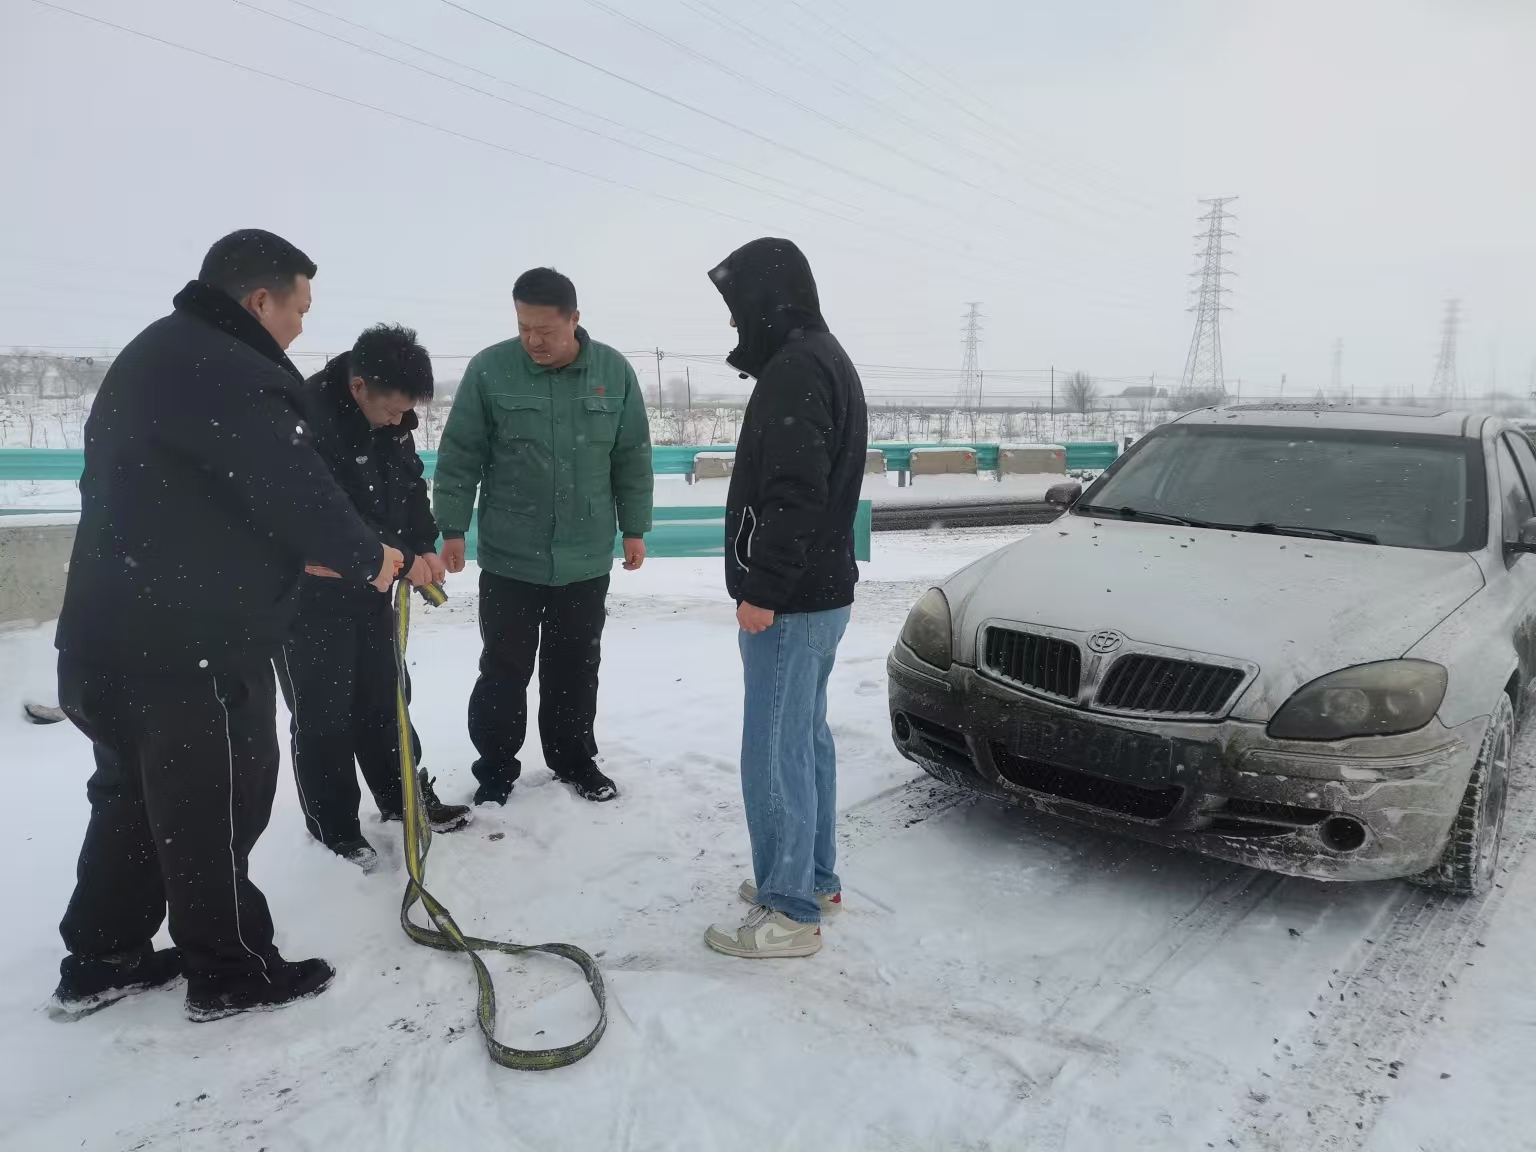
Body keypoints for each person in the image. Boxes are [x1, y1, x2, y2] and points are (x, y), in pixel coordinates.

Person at [49, 230, 403, 1023]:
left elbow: (188, 492)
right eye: (301, 309)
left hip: (109, 636)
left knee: (134, 799)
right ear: (260, 301)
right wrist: (373, 557)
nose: (304, 328)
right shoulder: (232, 372)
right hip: (191, 647)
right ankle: (231, 970)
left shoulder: (156, 354)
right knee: (218, 806)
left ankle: (103, 955)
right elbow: (297, 493)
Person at [702, 238, 868, 960]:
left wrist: (762, 589)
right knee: (804, 739)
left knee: (774, 749)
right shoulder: (823, 355)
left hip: (792, 598)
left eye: (740, 304)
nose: (737, 321)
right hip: (821, 592)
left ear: (770, 297)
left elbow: (794, 495)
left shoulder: (797, 369)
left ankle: (790, 910)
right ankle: (814, 877)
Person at [433, 268, 652, 805]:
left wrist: (635, 528)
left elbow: (631, 455)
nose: (533, 340)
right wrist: (452, 528)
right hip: (511, 556)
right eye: (523, 326)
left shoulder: (613, 372)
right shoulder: (490, 369)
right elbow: (461, 453)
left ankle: (574, 759)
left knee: (576, 665)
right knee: (503, 668)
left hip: (585, 555)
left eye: (545, 330)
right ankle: (496, 770)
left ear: (575, 320)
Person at [274, 323, 473, 873]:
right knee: (324, 712)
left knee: (387, 698)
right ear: (359, 386)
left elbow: (408, 486)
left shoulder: (391, 419)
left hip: (376, 585)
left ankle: (402, 796)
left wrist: (422, 545)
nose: (398, 421)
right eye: (391, 410)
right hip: (310, 594)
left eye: (407, 412)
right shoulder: (304, 418)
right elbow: (325, 513)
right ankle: (333, 824)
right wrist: (394, 556)